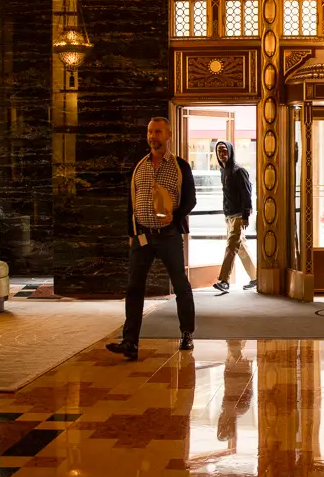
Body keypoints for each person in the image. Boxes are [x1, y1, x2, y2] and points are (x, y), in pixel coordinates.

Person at [107, 117, 197, 362]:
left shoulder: (180, 166)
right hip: (142, 235)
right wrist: (131, 233)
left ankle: (187, 333)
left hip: (168, 236)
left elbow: (190, 200)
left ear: (168, 135)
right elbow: (131, 202)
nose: (152, 136)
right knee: (134, 288)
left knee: (180, 285)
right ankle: (130, 342)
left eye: (157, 131)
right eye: (149, 131)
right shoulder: (140, 166)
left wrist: (175, 216)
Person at [212, 140, 257, 292]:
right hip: (229, 215)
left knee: (231, 246)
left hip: (238, 215)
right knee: (241, 247)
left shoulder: (239, 171)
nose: (221, 154)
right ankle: (256, 277)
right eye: (219, 151)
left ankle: (224, 281)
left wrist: (245, 215)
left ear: (230, 152)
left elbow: (247, 193)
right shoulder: (223, 170)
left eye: (224, 150)